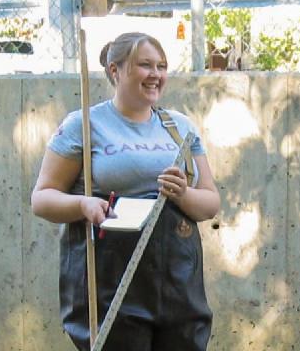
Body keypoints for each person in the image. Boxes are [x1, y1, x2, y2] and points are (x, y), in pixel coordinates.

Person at [30, 32, 220, 350]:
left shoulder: (181, 127)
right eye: (145, 65)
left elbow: (210, 202)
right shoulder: (84, 125)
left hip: (177, 279)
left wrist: (183, 194)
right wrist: (83, 205)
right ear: (115, 70)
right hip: (110, 278)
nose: (156, 74)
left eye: (161, 66)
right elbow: (42, 198)